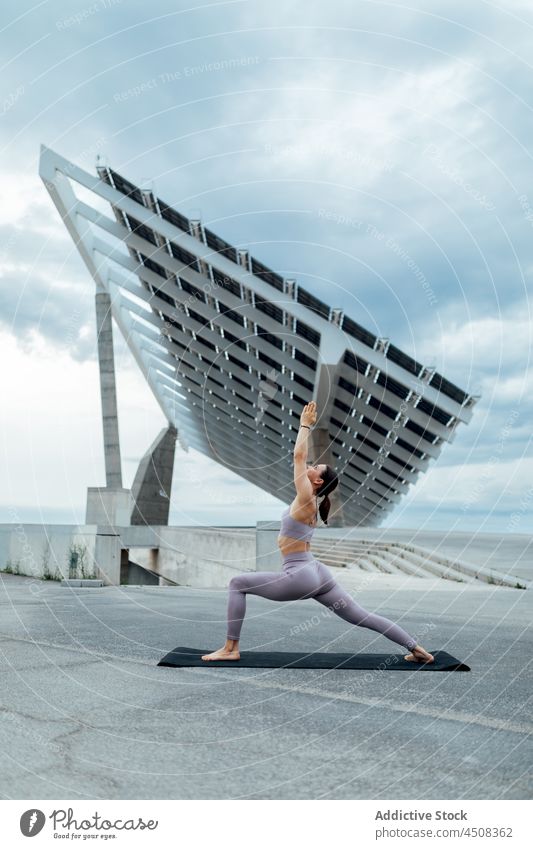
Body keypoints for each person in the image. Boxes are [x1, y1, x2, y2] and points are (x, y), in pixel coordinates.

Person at [201, 400, 434, 664]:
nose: (309, 466)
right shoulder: (312, 502)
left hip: (300, 574)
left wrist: (305, 426)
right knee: (361, 616)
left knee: (237, 584)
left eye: (315, 467)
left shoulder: (306, 498)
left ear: (318, 481)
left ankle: (231, 648)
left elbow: (298, 456)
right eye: (312, 464)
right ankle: (417, 649)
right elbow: (302, 461)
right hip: (317, 572)